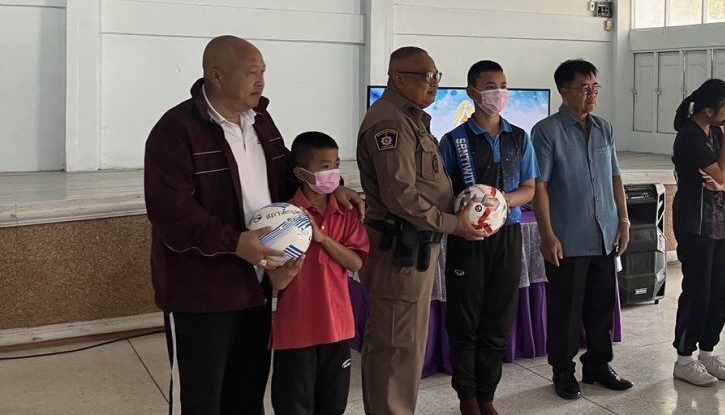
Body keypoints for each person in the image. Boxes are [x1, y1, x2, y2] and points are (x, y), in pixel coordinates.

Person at [144, 35, 363, 415]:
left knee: (246, 394)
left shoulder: (261, 121)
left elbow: (289, 172)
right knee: (200, 399)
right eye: (251, 73)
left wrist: (334, 186)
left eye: (263, 72)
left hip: (255, 284)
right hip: (201, 290)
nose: (261, 81)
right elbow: (171, 213)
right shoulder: (176, 130)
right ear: (216, 76)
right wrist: (235, 242)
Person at [357, 47, 488, 415]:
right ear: (398, 78)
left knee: (406, 345)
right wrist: (453, 224)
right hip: (399, 248)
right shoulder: (391, 122)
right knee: (395, 345)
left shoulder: (410, 118)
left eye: (436, 76)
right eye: (425, 76)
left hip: (415, 247)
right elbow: (399, 195)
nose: (433, 84)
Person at [438, 61, 539, 415]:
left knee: (498, 318)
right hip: (467, 238)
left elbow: (530, 188)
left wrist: (500, 202)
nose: (499, 92)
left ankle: (487, 396)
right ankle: (467, 397)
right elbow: (442, 193)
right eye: (491, 86)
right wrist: (471, 209)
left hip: (508, 236)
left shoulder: (519, 137)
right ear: (473, 92)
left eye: (504, 85)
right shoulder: (453, 141)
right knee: (465, 320)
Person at [531, 59, 632, 400]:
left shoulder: (604, 128)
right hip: (568, 238)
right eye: (584, 88)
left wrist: (624, 221)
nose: (592, 94)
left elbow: (615, 177)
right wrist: (547, 235)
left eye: (595, 87)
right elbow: (540, 187)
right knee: (567, 313)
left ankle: (598, 366)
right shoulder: (547, 131)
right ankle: (563, 371)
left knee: (602, 308)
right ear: (564, 91)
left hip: (604, 234)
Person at [269, 132, 370, 415]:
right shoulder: (284, 216)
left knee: (333, 404)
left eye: (336, 164)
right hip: (295, 330)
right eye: (325, 167)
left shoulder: (346, 212)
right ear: (301, 172)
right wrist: (289, 267)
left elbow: (356, 263)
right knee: (294, 405)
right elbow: (276, 280)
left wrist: (323, 239)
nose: (333, 173)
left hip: (337, 326)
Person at [669, 79, 725, 387]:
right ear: (709, 111)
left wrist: (721, 185)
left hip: (720, 223)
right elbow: (723, 170)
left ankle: (707, 352)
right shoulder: (690, 136)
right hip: (695, 224)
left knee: (719, 291)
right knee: (698, 291)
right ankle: (685, 358)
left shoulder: (714, 132)